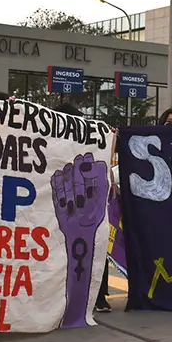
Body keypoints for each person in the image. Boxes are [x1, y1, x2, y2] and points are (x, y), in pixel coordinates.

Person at [54, 102, 113, 313]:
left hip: (87, 203)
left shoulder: (91, 142)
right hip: (60, 201)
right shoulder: (51, 141)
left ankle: (97, 295)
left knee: (94, 245)